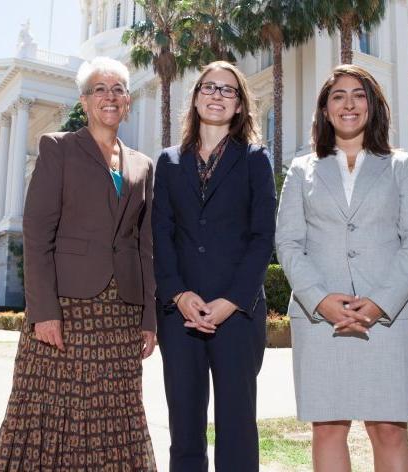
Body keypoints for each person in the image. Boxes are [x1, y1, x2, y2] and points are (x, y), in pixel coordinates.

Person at [0, 57, 157, 471]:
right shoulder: (58, 147)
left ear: (128, 102)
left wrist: (150, 318)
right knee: (53, 409)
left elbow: (146, 245)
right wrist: (44, 312)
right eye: (100, 88)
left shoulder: (142, 165)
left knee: (116, 413)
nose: (110, 96)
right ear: (84, 101)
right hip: (66, 308)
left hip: (122, 312)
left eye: (118, 89)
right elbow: (37, 233)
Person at [276, 64, 408, 472]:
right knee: (327, 428)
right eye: (338, 96)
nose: (349, 103)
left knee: (389, 429)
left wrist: (381, 302)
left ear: (373, 106)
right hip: (319, 319)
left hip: (388, 318)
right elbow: (289, 242)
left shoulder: (402, 164)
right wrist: (319, 300)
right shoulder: (300, 168)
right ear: (325, 110)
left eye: (359, 94)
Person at [152, 61, 276, 471]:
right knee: (184, 428)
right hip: (180, 314)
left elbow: (263, 237)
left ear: (240, 105)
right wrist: (179, 294)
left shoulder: (256, 159)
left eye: (228, 90)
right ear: (196, 96)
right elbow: (161, 235)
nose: (217, 95)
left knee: (237, 427)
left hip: (237, 314)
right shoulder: (168, 162)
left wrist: (232, 301)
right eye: (209, 87)